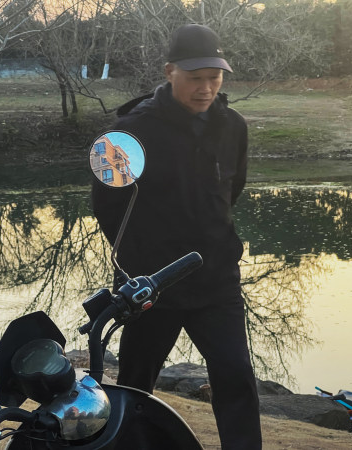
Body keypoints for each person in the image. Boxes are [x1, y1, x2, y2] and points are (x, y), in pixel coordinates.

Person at [91, 24, 262, 449]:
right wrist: (139, 264)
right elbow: (108, 209)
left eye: (214, 78)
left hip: (216, 279)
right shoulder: (129, 133)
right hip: (150, 284)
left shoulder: (233, 126)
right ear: (170, 72)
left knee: (236, 377)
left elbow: (231, 191)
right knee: (134, 385)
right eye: (195, 78)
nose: (206, 88)